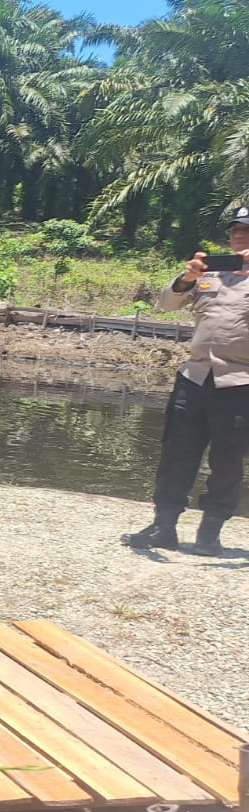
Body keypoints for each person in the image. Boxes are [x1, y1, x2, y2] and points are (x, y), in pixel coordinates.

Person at [123, 206, 249, 556]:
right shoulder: (209, 274)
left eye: (247, 232)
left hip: (240, 384)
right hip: (194, 377)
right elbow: (167, 304)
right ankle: (164, 527)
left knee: (227, 461)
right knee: (176, 454)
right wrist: (187, 277)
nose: (240, 236)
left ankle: (210, 534)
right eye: (236, 230)